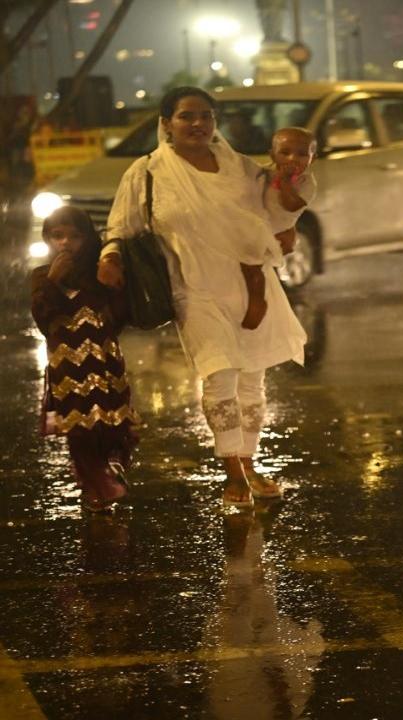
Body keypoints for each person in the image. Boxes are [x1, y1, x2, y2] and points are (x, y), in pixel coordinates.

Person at [97, 86, 306, 509]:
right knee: (219, 375)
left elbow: (279, 209)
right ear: (166, 123)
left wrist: (288, 217)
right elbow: (119, 226)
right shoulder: (147, 172)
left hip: (252, 286)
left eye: (206, 116)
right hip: (193, 289)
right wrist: (110, 257)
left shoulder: (241, 169)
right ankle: (232, 473)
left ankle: (249, 464)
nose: (198, 125)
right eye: (187, 116)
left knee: (252, 380)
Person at [31, 206, 139, 512]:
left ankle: (111, 467)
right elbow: (42, 319)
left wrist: (112, 284)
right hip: (67, 369)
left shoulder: (98, 273)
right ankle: (96, 484)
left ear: (88, 238)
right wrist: (53, 281)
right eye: (57, 235)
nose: (65, 243)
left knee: (112, 422)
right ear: (47, 238)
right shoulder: (42, 277)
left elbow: (119, 316)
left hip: (105, 364)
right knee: (80, 429)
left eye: (74, 236)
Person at [240, 126, 318, 329]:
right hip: (259, 225)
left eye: (302, 154)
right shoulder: (264, 173)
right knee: (247, 266)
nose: (293, 159)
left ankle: (258, 302)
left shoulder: (306, 182)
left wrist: (284, 183)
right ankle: (249, 301)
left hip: (277, 228)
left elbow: (291, 204)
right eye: (285, 152)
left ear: (313, 158)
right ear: (272, 155)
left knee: (252, 265)